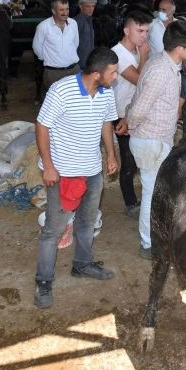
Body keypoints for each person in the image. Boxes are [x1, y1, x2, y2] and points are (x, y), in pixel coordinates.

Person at [33, 47, 119, 309]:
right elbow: (42, 126)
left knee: (87, 221)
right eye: (113, 72)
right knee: (53, 230)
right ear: (96, 74)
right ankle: (43, 282)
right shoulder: (61, 90)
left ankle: (82, 264)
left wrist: (110, 154)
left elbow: (106, 123)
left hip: (92, 170)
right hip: (63, 172)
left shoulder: (105, 92)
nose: (116, 77)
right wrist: (48, 166)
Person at [122, 20, 186, 260]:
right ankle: (148, 243)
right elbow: (140, 107)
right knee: (151, 193)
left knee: (153, 191)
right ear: (179, 48)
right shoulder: (161, 70)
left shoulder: (164, 63)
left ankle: (152, 238)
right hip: (150, 140)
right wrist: (130, 124)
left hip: (155, 138)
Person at [111, 11, 151, 219]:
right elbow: (140, 80)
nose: (144, 36)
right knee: (128, 159)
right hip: (121, 113)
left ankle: (141, 199)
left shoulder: (135, 51)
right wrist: (144, 56)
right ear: (127, 31)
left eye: (146, 31)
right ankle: (130, 202)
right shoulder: (118, 54)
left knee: (137, 156)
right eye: (140, 30)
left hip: (136, 111)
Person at [32, 0, 80, 90]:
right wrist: (49, 59)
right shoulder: (43, 26)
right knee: (55, 102)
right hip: (53, 73)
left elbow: (75, 44)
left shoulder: (73, 23)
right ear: (53, 11)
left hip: (74, 70)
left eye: (67, 9)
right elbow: (37, 48)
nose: (65, 13)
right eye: (61, 10)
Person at [75, 0, 96, 72]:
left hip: (88, 63)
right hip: (80, 65)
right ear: (80, 6)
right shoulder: (77, 22)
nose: (91, 9)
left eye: (93, 6)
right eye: (88, 6)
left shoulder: (89, 19)